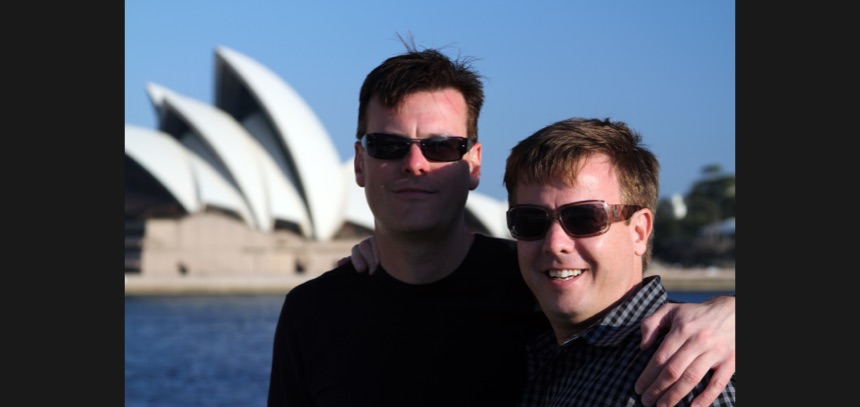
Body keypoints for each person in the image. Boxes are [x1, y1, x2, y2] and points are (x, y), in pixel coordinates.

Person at [269, 38, 735, 407]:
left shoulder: (540, 282)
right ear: (359, 162)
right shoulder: (314, 311)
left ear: (474, 163)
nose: (415, 164)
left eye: (440, 146)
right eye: (388, 146)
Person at [499, 117, 736, 406]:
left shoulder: (687, 372)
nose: (554, 243)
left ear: (639, 231)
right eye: (530, 220)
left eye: (584, 218)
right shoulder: (523, 349)